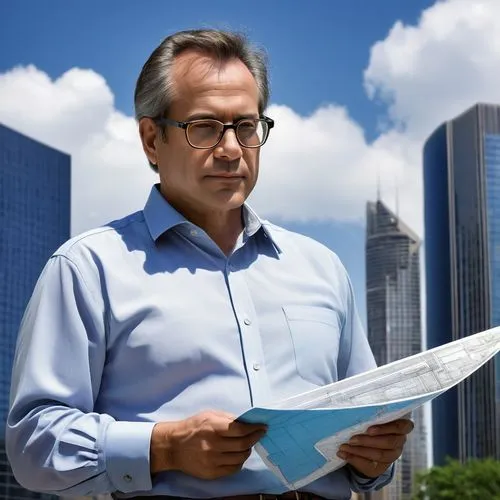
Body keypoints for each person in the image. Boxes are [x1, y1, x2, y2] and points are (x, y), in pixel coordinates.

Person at [6, 29, 413, 500]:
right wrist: (163, 447)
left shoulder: (322, 268)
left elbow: (366, 424)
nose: (232, 149)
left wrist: (375, 458)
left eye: (246, 126)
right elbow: (33, 444)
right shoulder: (88, 267)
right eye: (204, 127)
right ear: (151, 140)